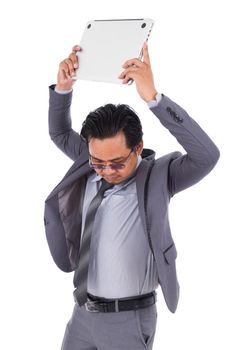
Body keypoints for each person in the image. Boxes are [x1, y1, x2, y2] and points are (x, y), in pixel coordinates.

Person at [44, 42, 220, 350]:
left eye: (117, 162)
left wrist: (154, 98)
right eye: (98, 162)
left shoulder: (159, 177)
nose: (106, 170)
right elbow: (59, 133)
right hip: (82, 314)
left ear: (137, 148)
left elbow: (207, 156)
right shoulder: (90, 164)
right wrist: (62, 89)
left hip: (128, 321)